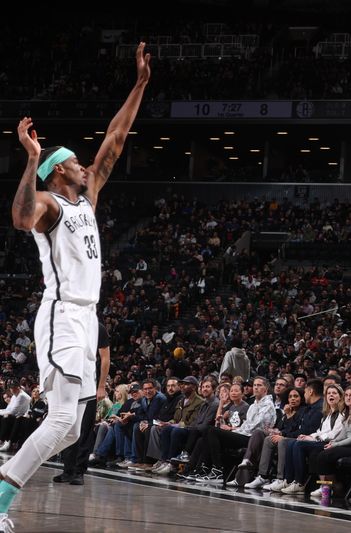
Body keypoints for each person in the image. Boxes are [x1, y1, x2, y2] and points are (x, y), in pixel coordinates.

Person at [1, 42, 150, 531]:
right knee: (63, 421)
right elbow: (21, 219)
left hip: (88, 318)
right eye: (77, 162)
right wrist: (31, 159)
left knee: (69, 429)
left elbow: (117, 137)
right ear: (60, 169)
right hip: (62, 312)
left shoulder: (86, 199)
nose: (87, 165)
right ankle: (1, 497)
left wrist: (141, 84)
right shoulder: (48, 202)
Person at [53, 323, 111, 485]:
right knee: (68, 427)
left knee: (85, 429)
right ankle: (68, 470)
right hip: (68, 384)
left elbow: (105, 358)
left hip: (88, 386)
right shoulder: (68, 325)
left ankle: (79, 471)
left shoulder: (98, 328)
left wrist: (101, 386)